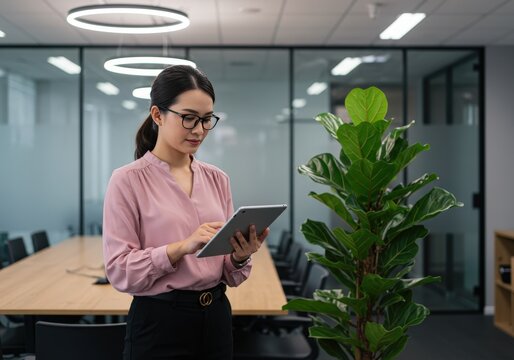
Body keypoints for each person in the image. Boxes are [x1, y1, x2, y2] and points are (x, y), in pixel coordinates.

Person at [102, 65, 269, 360]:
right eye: (189, 118)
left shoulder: (218, 178)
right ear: (158, 115)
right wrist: (179, 248)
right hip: (159, 323)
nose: (199, 130)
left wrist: (240, 256)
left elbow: (228, 273)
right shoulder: (127, 180)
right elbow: (119, 271)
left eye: (206, 120)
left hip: (216, 317)